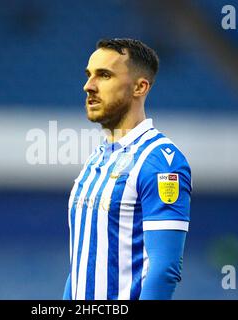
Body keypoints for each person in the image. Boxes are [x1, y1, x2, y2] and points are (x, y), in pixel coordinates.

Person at [63, 38, 192, 300]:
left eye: (105, 75)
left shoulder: (161, 162)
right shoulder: (96, 159)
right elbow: (81, 262)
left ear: (140, 87)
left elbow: (165, 268)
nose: (88, 86)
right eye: (89, 75)